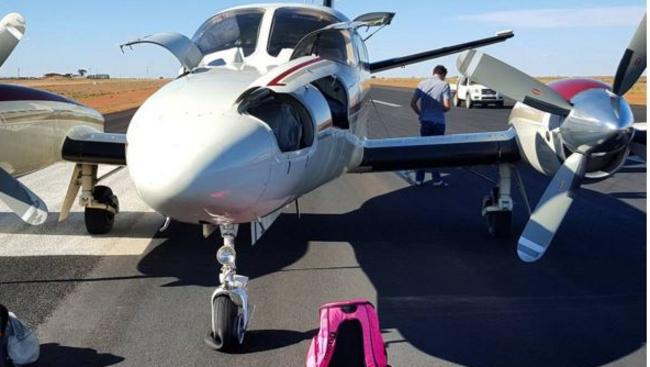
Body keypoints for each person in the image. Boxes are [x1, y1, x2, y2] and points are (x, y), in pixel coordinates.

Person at [410, 65, 451, 186]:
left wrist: (421, 114)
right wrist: (439, 109)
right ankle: (437, 180)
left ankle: (419, 179)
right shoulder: (444, 85)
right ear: (443, 74)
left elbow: (412, 103)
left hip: (425, 121)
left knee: (424, 150)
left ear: (433, 73)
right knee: (436, 151)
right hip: (439, 122)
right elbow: (447, 107)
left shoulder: (422, 83)